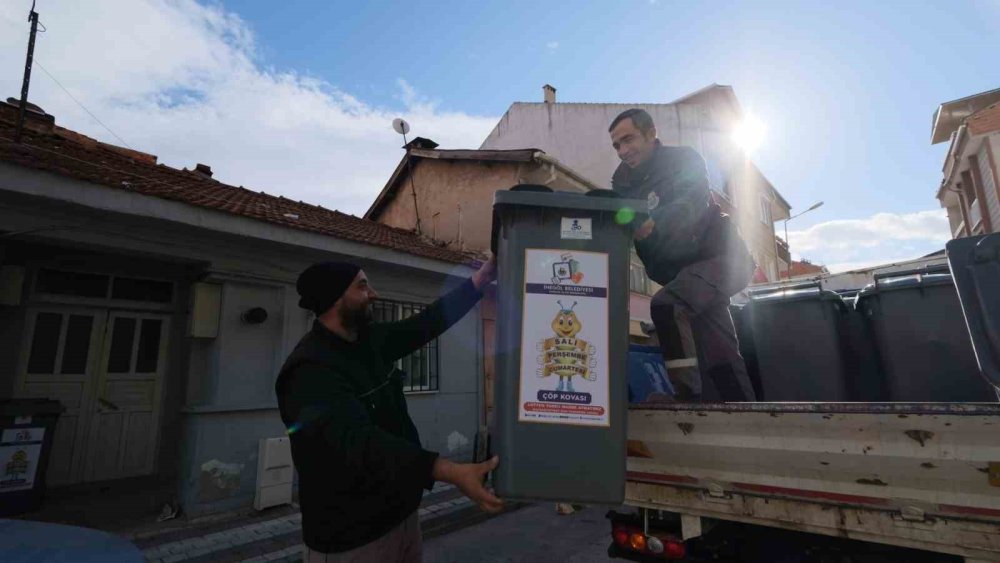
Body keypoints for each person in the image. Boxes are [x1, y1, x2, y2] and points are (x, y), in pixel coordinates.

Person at [275, 258, 504, 562]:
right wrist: (450, 471)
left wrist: (480, 280)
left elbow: (427, 323)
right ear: (334, 299)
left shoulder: (369, 341)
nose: (374, 293)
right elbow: (359, 443)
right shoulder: (309, 370)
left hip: (402, 518)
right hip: (353, 538)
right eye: (362, 285)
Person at [609, 108, 757, 402]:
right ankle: (748, 416)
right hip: (686, 274)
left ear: (651, 134)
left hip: (722, 259)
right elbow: (623, 215)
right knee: (720, 354)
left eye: (629, 140)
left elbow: (693, 200)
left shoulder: (684, 159)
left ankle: (685, 396)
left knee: (667, 305)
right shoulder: (623, 180)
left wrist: (655, 221)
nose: (623, 151)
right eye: (616, 146)